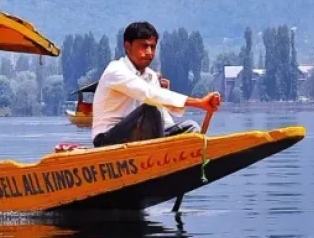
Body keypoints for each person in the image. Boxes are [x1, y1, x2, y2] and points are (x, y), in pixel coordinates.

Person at [91, 22, 221, 148]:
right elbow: (148, 94)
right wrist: (199, 103)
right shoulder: (115, 70)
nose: (149, 52)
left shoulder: (151, 76)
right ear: (128, 46)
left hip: (139, 139)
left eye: (153, 47)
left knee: (191, 128)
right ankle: (158, 156)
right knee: (150, 108)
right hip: (107, 140)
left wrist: (177, 134)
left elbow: (163, 116)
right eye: (144, 46)